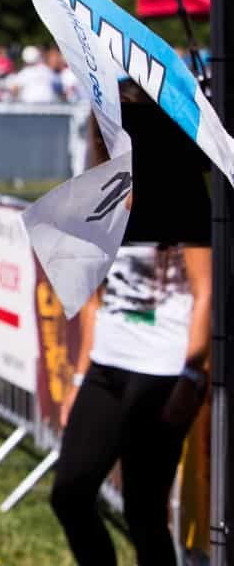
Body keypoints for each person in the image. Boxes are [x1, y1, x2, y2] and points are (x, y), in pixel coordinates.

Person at [51, 81, 212, 566]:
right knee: (70, 493)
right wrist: (79, 378)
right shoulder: (100, 194)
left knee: (143, 511)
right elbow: (94, 303)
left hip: (163, 369)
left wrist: (192, 374)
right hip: (108, 364)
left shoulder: (182, 192)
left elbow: (206, 292)